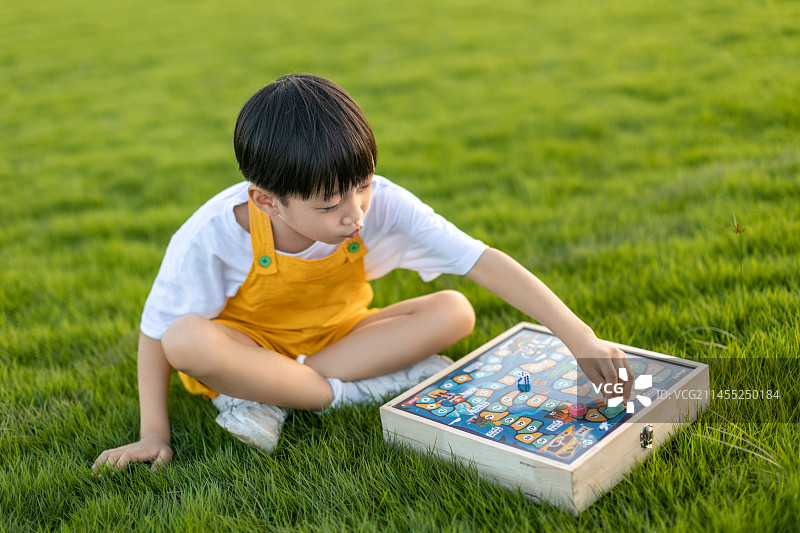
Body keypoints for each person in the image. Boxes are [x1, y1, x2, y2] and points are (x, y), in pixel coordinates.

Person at [92, 74, 632, 473]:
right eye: (329, 206)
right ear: (267, 200)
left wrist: (578, 337)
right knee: (184, 338)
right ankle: (342, 393)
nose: (355, 214)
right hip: (245, 351)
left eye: (364, 185)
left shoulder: (378, 203)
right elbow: (155, 331)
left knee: (454, 310)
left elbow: (480, 260)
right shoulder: (212, 233)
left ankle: (276, 398)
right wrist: (152, 434)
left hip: (342, 338)